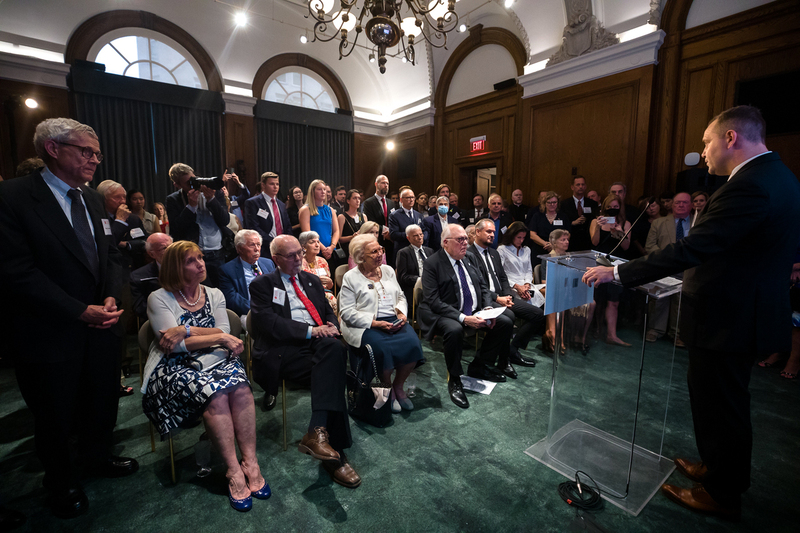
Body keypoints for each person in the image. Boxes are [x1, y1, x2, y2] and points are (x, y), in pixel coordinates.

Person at [582, 105, 800, 519]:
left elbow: (693, 247)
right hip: (739, 312)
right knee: (719, 400)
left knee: (723, 404)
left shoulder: (749, 184)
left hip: (729, 317)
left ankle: (722, 492)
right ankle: (717, 468)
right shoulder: (780, 176)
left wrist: (618, 271)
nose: (703, 152)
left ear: (730, 138)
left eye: (706, 142)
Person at [0, 118, 136, 519]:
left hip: (102, 324)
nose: (95, 159)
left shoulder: (92, 197)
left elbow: (111, 254)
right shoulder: (13, 197)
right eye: (86, 151)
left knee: (100, 398)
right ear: (53, 149)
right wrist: (79, 310)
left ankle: (96, 458)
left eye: (97, 152)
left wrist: (110, 295)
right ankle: (60, 482)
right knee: (55, 413)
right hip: (48, 329)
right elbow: (16, 271)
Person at [141, 241, 267, 512]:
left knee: (242, 388)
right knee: (217, 395)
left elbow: (225, 332)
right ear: (176, 267)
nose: (201, 264)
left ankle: (250, 462)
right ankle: (234, 471)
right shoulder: (159, 297)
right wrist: (214, 336)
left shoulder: (214, 293)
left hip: (217, 358)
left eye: (200, 258)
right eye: (191, 261)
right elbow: (172, 346)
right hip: (175, 367)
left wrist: (184, 330)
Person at [249, 235, 360, 488]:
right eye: (291, 255)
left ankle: (318, 434)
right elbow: (269, 324)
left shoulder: (311, 280)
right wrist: (312, 331)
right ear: (276, 259)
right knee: (333, 361)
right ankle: (336, 456)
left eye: (299, 252)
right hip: (284, 351)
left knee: (332, 352)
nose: (298, 258)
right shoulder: (262, 285)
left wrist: (331, 322)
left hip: (317, 347)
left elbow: (325, 310)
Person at [417, 224, 515, 409]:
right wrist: (463, 318)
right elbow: (434, 301)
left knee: (505, 321)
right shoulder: (432, 263)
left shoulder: (469, 257)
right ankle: (455, 380)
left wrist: (487, 308)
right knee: (454, 330)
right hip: (444, 312)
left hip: (473, 309)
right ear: (445, 243)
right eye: (460, 239)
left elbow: (484, 286)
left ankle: (479, 365)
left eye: (465, 238)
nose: (465, 243)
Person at [340, 234, 425, 413]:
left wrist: (402, 313)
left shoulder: (387, 270)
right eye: (374, 251)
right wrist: (375, 323)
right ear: (361, 256)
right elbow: (346, 313)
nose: (380, 254)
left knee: (413, 344)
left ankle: (398, 386)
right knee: (382, 350)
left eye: (381, 249)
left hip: (394, 319)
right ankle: (386, 389)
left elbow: (400, 295)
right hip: (366, 324)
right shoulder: (351, 277)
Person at [470, 220, 542, 373]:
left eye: (493, 232)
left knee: (537, 314)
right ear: (477, 232)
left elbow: (503, 278)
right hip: (485, 299)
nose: (492, 235)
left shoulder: (494, 253)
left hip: (503, 296)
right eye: (488, 231)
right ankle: (503, 360)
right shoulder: (469, 255)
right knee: (508, 317)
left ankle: (513, 350)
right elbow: (476, 286)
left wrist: (508, 295)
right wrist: (497, 298)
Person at [166, 163, 233, 287]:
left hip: (216, 252)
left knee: (221, 289)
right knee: (197, 289)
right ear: (177, 185)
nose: (193, 184)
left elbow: (225, 220)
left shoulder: (215, 193)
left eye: (194, 179)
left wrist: (211, 200)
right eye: (188, 183)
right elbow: (176, 229)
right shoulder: (173, 200)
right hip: (192, 255)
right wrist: (191, 206)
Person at [644, 192, 692, 346]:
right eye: (677, 202)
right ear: (672, 204)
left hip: (688, 268)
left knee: (681, 301)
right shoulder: (659, 223)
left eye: (684, 202)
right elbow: (650, 245)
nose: (681, 205)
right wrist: (665, 258)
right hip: (663, 266)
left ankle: (677, 333)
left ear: (690, 205)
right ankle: (655, 330)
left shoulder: (697, 224)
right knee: (659, 298)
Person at [541, 229, 596, 354]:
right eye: (563, 240)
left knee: (591, 303)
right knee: (559, 299)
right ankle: (556, 338)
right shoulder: (548, 258)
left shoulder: (571, 258)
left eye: (567, 240)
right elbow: (545, 282)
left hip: (570, 290)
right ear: (554, 243)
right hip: (555, 290)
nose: (566, 242)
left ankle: (580, 338)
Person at [589, 194, 631, 347]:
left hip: (616, 266)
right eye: (610, 207)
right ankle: (595, 329)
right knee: (597, 300)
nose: (612, 210)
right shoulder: (596, 221)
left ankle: (611, 335)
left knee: (613, 301)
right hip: (599, 263)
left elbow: (626, 247)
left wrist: (620, 232)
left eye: (616, 207)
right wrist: (599, 227)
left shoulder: (625, 223)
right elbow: (594, 242)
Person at [218, 229, 276, 319]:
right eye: (252, 245)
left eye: (258, 245)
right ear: (239, 249)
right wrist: (259, 309)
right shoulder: (227, 270)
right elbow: (232, 299)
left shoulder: (268, 263)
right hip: (248, 313)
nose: (257, 249)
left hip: (273, 309)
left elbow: (277, 287)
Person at [243, 172, 292, 260]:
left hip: (283, 249)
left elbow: (287, 226)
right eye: (272, 184)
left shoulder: (281, 204)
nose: (275, 187)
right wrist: (273, 242)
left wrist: (285, 242)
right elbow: (253, 227)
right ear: (263, 185)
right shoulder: (253, 203)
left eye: (277, 184)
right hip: (264, 248)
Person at [131, 233, 174, 319]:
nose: (171, 251)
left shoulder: (190, 268)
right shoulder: (140, 276)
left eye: (172, 246)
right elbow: (140, 309)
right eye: (164, 248)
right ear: (151, 254)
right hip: (159, 318)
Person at [299, 179, 341, 264]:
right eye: (319, 189)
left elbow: (336, 231)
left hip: (330, 251)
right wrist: (323, 249)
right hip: (314, 251)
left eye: (324, 189)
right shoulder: (306, 209)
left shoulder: (330, 210)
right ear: (312, 191)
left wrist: (331, 247)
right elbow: (307, 233)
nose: (323, 192)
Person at [527, 191, 572, 265]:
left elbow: (568, 234)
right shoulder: (537, 216)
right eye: (549, 202)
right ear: (544, 203)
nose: (552, 204)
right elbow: (532, 234)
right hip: (540, 249)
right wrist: (546, 244)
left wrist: (554, 245)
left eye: (554, 202)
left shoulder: (563, 216)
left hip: (558, 251)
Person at [299, 230, 337, 314]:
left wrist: (330, 283)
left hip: (325, 294)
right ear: (304, 246)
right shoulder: (299, 262)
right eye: (312, 242)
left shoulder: (322, 261)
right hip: (307, 295)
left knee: (331, 298)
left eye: (318, 242)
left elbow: (329, 286)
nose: (317, 245)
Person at [395, 224, 433, 306]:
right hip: (415, 288)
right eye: (416, 235)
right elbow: (402, 277)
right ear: (408, 238)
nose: (420, 237)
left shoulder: (429, 251)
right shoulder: (403, 253)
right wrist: (420, 280)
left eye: (421, 234)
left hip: (431, 286)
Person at [560, 175, 598, 252]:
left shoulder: (593, 203)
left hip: (588, 240)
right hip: (571, 240)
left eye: (583, 184)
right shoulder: (564, 204)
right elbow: (561, 221)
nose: (581, 187)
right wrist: (572, 223)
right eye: (578, 184)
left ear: (585, 186)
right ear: (572, 187)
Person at [362, 174, 395, 260]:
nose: (386, 185)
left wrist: (391, 232)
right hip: (378, 238)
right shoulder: (368, 203)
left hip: (391, 239)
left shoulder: (391, 203)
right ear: (376, 184)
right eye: (383, 183)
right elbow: (371, 222)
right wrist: (386, 232)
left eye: (387, 183)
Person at [388, 187, 425, 260]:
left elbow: (424, 230)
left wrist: (422, 236)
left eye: (412, 197)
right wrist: (411, 236)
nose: (411, 200)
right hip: (403, 251)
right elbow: (393, 234)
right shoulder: (394, 215)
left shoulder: (418, 215)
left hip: (418, 250)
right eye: (408, 198)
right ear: (401, 200)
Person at [338, 188, 364, 260]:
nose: (357, 200)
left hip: (362, 250)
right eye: (354, 198)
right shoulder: (342, 217)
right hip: (349, 251)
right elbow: (339, 239)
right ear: (348, 201)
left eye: (359, 198)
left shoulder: (363, 216)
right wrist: (352, 237)